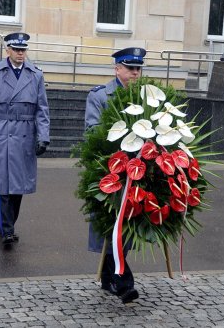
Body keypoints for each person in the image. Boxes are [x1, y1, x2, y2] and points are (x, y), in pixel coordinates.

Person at [0, 32, 50, 246]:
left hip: (26, 134)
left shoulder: (35, 74)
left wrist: (43, 137)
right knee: (4, 186)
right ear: (7, 50)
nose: (20, 53)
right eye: (16, 49)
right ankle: (7, 229)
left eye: (23, 50)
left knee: (19, 188)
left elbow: (42, 110)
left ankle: (9, 224)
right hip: (1, 133)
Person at [85, 47, 146, 304]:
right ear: (117, 69)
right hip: (110, 169)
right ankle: (122, 282)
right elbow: (93, 131)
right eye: (129, 68)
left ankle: (111, 277)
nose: (134, 73)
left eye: (138, 68)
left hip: (139, 172)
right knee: (112, 224)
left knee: (127, 225)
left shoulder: (145, 97)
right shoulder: (100, 96)